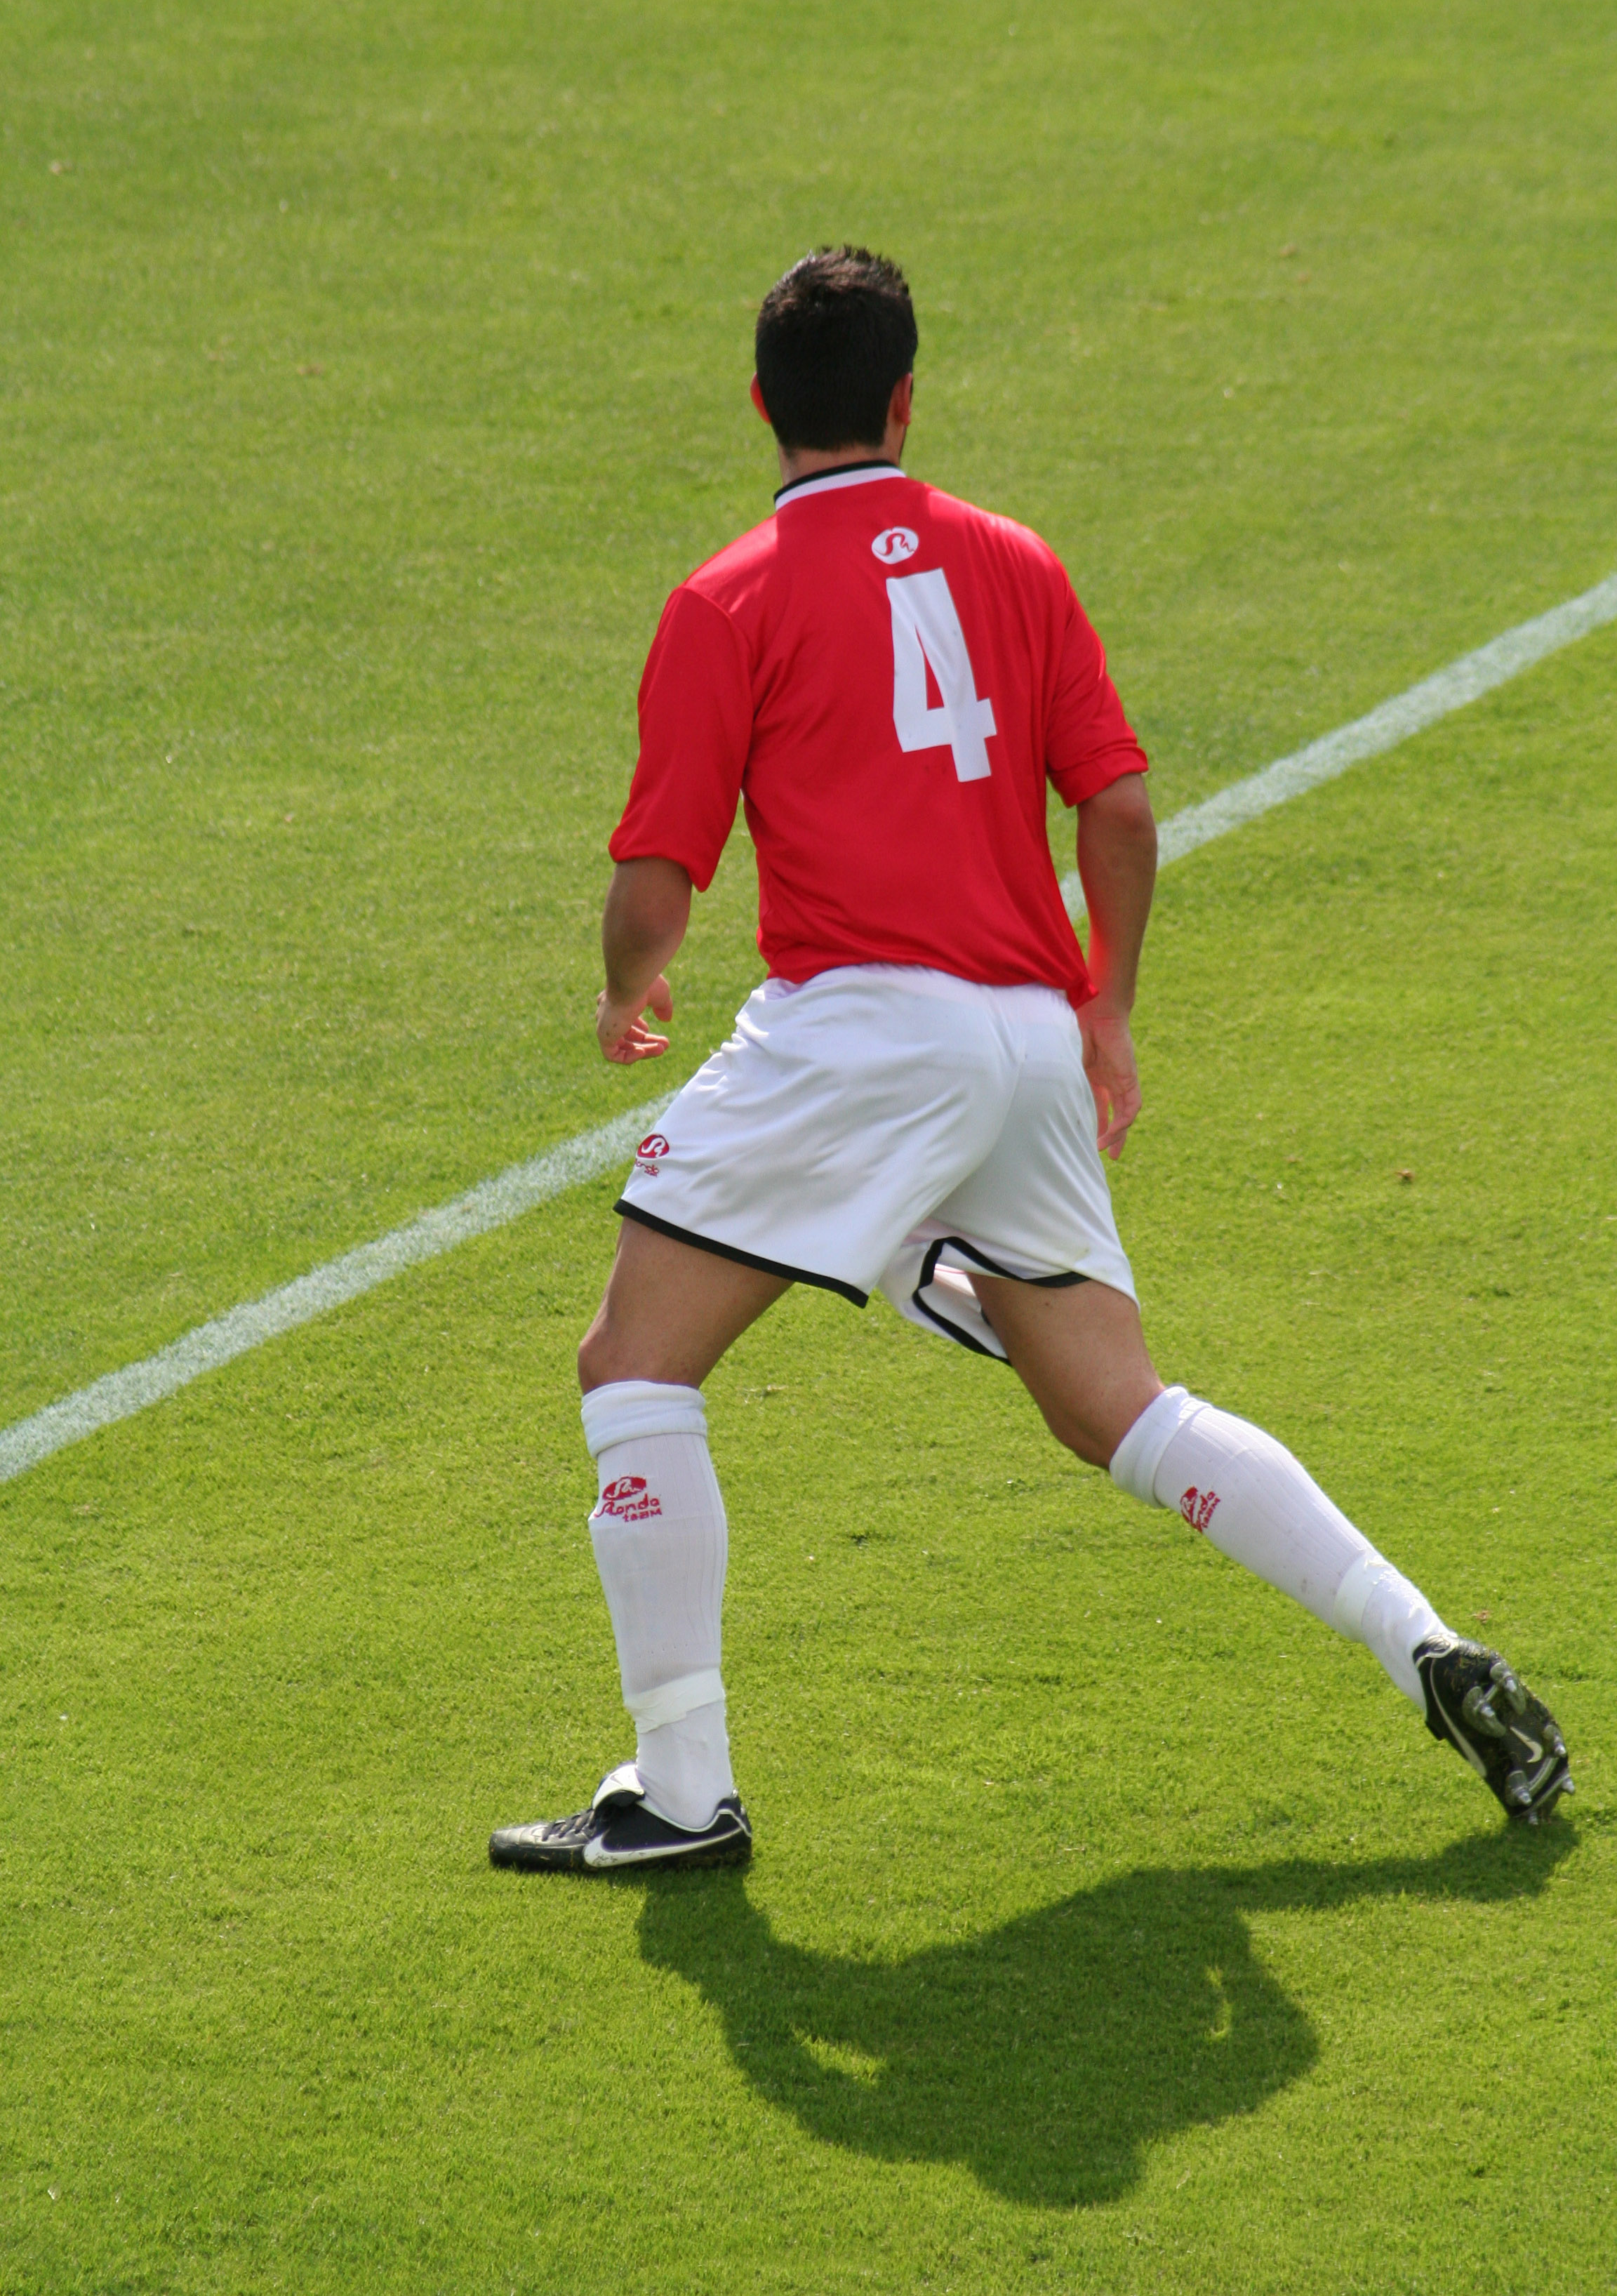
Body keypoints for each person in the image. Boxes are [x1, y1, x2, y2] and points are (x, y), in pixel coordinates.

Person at [490, 247, 1571, 1873]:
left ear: (763, 404)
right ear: (907, 399)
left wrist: (623, 991)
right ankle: (1420, 1640)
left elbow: (658, 885)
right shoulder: (1013, 561)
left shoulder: (731, 597)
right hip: (1023, 1039)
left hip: (860, 1032)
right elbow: (1117, 808)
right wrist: (1105, 1008)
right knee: (1121, 1410)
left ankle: (683, 1796)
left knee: (632, 1372)